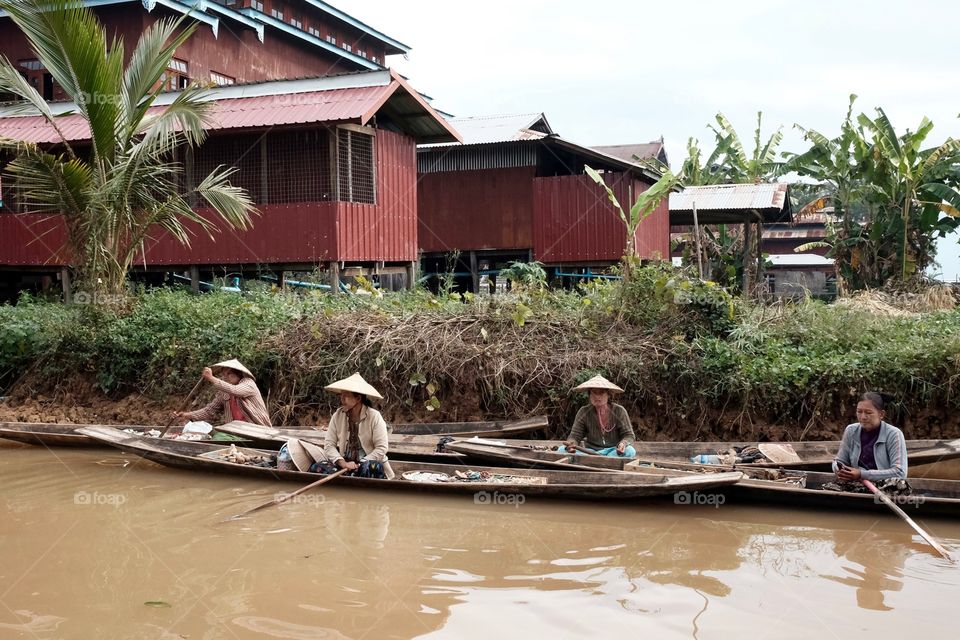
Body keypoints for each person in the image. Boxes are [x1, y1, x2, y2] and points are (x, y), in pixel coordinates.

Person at [322, 372, 394, 479]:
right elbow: (329, 445)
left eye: (346, 396)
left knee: (371, 467)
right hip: (345, 465)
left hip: (366, 463)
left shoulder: (374, 416)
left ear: (358, 399)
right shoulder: (338, 415)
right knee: (317, 467)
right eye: (341, 396)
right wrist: (343, 463)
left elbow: (382, 448)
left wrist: (361, 462)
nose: (342, 400)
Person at [832, 392, 907, 482]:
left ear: (881, 414)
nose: (863, 417)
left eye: (868, 413)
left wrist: (861, 474)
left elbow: (900, 472)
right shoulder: (851, 430)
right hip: (856, 484)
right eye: (859, 412)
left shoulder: (894, 434)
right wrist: (839, 470)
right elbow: (839, 461)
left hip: (884, 486)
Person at [176, 359, 272, 427]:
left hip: (256, 428)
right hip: (236, 430)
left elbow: (235, 391)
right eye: (223, 375)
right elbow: (209, 410)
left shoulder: (248, 383)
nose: (225, 377)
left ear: (238, 374)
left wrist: (211, 378)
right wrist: (186, 415)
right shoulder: (224, 393)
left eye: (229, 374)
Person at [559, 375, 637, 457]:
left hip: (613, 450)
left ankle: (595, 461)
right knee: (561, 449)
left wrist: (623, 444)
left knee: (630, 451)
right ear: (589, 395)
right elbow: (575, 436)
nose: (597, 396)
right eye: (594, 393)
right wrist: (571, 445)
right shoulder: (583, 411)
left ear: (608, 395)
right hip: (590, 451)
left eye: (601, 393)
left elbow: (629, 435)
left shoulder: (619, 411)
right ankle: (603, 461)